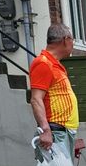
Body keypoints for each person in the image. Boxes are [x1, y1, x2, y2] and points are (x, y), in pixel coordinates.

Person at [29, 23, 79, 159]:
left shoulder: (53, 64)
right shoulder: (43, 63)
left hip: (61, 132)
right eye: (72, 40)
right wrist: (46, 130)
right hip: (55, 131)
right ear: (65, 40)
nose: (73, 44)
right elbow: (36, 99)